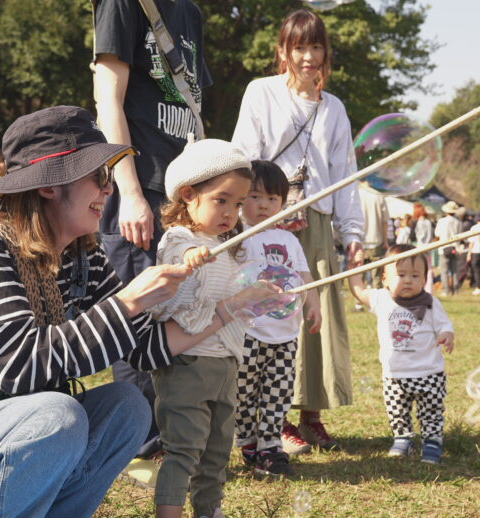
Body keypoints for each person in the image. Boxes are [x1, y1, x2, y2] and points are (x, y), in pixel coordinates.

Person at [0, 106, 237, 517]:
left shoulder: (84, 258)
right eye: (98, 176)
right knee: (59, 413)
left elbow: (146, 349)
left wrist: (228, 310)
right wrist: (128, 302)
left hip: (4, 436)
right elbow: (15, 365)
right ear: (49, 186)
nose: (108, 190)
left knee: (127, 407)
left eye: (108, 176)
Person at [232, 9, 365, 454]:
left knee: (315, 317)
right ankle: (277, 418)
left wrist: (354, 234)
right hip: (268, 218)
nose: (307, 57)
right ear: (283, 51)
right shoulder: (261, 92)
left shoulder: (336, 108)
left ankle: (312, 415)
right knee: (271, 315)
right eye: (298, 47)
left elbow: (345, 173)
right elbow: (245, 155)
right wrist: (255, 210)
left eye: (315, 47)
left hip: (318, 222)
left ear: (325, 51)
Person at [93, 0, 212, 459]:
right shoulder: (124, 3)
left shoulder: (191, 14)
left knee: (182, 309)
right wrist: (129, 192)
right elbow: (109, 100)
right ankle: (142, 443)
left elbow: (194, 110)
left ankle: (173, 431)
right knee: (136, 316)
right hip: (139, 189)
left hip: (183, 193)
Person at [147, 139, 284, 518]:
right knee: (184, 448)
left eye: (238, 204)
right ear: (188, 195)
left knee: (218, 449)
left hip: (225, 366)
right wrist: (189, 262)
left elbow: (231, 304)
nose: (231, 212)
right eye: (221, 200)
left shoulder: (225, 245)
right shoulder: (181, 240)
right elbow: (174, 293)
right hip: (188, 365)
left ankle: (209, 510)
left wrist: (259, 297)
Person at [232, 160, 321, 476]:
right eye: (255, 196)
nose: (264, 205)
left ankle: (270, 446)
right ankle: (247, 441)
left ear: (283, 204)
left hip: (285, 334)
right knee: (243, 392)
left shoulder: (289, 240)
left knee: (278, 392)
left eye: (273, 199)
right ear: (241, 198)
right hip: (249, 332)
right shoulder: (235, 236)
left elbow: (304, 275)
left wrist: (315, 304)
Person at [347, 244, 454, 464]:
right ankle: (402, 436)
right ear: (384, 278)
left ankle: (432, 440)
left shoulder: (431, 303)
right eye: (401, 275)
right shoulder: (381, 299)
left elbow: (445, 326)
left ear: (424, 279)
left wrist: (446, 335)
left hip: (429, 372)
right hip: (395, 374)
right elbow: (358, 291)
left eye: (415, 276)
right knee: (397, 409)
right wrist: (354, 268)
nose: (408, 280)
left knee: (431, 410)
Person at [359, 182, 389, 290]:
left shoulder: (356, 195)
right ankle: (377, 302)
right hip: (376, 240)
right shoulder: (378, 196)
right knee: (377, 275)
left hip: (360, 241)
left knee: (359, 274)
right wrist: (385, 241)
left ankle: (359, 302)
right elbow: (385, 221)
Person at [434, 201, 463, 296]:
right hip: (455, 248)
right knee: (455, 271)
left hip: (444, 248)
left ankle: (446, 290)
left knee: (444, 271)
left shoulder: (441, 221)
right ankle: (455, 290)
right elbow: (460, 234)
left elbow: (437, 234)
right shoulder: (458, 222)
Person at [413, 204, 434, 293]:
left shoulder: (419, 222)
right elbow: (431, 235)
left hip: (420, 247)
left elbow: (419, 235)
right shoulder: (428, 222)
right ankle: (429, 290)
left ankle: (420, 289)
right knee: (429, 270)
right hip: (428, 247)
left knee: (419, 269)